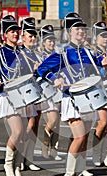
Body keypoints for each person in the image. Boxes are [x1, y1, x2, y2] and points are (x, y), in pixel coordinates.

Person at [37, 12, 107, 176]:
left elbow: (102, 72)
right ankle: (69, 175)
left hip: (89, 98)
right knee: (79, 137)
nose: (81, 32)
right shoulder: (62, 52)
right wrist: (55, 78)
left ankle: (78, 175)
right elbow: (41, 70)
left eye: (83, 29)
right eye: (77, 29)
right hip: (72, 98)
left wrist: (106, 66)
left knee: (84, 140)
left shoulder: (88, 52)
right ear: (69, 32)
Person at [0, 15, 32, 176]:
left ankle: (17, 167)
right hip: (9, 96)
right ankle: (8, 164)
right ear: (5, 35)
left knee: (24, 134)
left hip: (24, 95)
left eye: (16, 31)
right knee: (17, 132)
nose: (15, 34)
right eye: (11, 31)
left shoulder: (23, 51)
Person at [90, 21, 107, 168]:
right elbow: (94, 75)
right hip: (97, 92)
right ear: (95, 38)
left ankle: (105, 155)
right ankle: (95, 153)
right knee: (102, 123)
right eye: (102, 36)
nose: (105, 38)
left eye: (106, 35)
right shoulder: (92, 53)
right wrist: (103, 68)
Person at [19, 17, 41, 171]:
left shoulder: (37, 53)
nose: (33, 38)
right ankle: (19, 157)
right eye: (30, 36)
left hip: (35, 92)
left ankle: (29, 157)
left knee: (34, 126)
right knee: (24, 126)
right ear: (23, 37)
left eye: (34, 36)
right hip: (21, 93)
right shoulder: (19, 53)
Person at [38, 24, 62, 161]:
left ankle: (54, 150)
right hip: (46, 91)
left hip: (58, 90)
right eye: (49, 40)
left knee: (57, 122)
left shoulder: (58, 54)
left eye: (53, 40)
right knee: (52, 120)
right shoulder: (39, 56)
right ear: (43, 42)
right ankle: (44, 148)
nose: (52, 43)